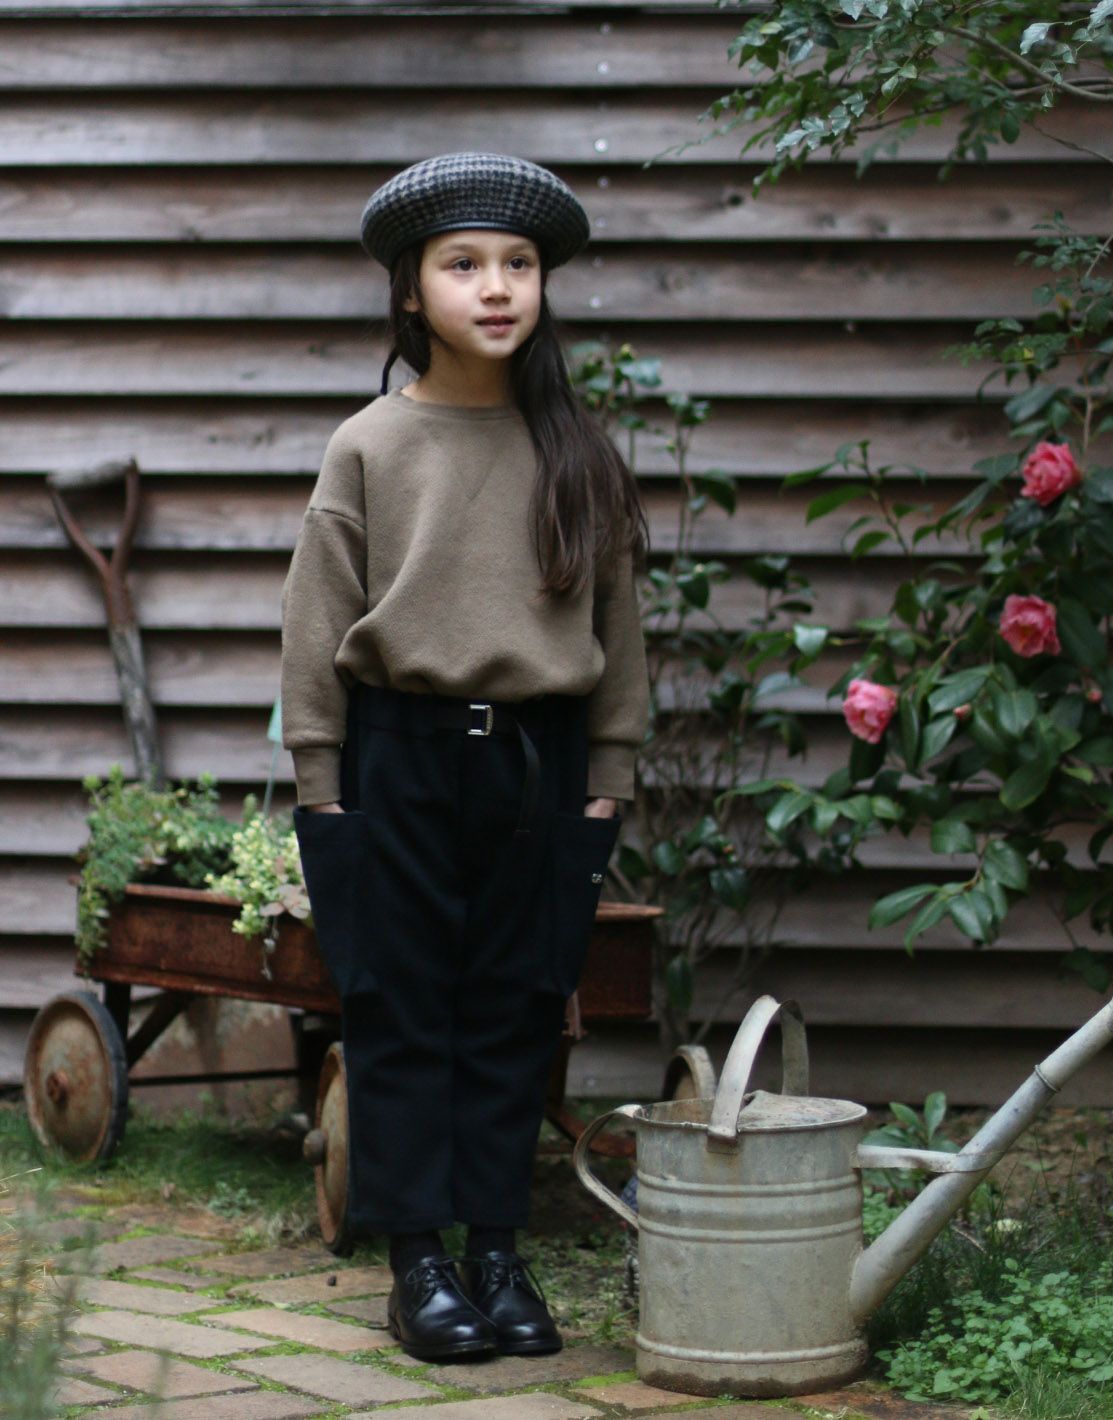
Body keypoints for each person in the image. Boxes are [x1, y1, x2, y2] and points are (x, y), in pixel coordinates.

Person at [279, 152, 651, 1364]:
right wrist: (321, 787)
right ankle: (417, 1263)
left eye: (518, 264)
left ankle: (496, 1250)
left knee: (513, 1008)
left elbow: (619, 626)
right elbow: (315, 625)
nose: (496, 287)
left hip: (540, 770)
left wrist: (607, 779)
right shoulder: (369, 446)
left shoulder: (575, 450)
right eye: (463, 264)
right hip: (396, 757)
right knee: (396, 1009)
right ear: (409, 290)